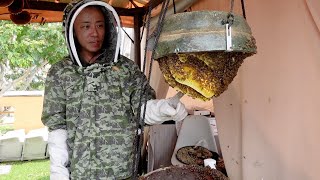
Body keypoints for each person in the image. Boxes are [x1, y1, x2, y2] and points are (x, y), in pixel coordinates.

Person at [41, 0, 188, 179]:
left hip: (124, 172)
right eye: (86, 26)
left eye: (100, 25)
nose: (95, 33)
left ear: (109, 27)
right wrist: (59, 171)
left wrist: (161, 109)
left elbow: (141, 108)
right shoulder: (60, 73)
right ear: (72, 31)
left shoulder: (127, 69)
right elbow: (57, 127)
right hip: (82, 174)